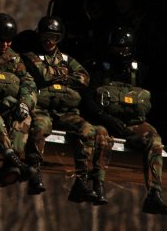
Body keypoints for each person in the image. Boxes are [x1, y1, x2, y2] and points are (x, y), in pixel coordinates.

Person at [80, 27, 167, 215]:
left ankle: (154, 194)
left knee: (154, 141)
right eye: (118, 48)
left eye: (126, 49)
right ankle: (97, 184)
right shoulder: (98, 69)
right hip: (105, 121)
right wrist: (107, 119)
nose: (122, 53)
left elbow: (151, 99)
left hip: (133, 122)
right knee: (100, 136)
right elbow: (87, 99)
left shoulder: (139, 70)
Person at [23, 15, 112, 206]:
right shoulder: (31, 57)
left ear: (60, 38)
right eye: (46, 36)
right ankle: (34, 171)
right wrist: (65, 75)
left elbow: (84, 78)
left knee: (88, 130)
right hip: (42, 109)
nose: (49, 41)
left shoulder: (67, 59)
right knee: (39, 127)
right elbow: (42, 74)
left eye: (53, 37)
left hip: (66, 113)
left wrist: (57, 76)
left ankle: (82, 180)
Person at [0, 13, 44, 203]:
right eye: (1, 40)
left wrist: (24, 103)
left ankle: (10, 164)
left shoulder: (13, 59)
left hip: (7, 106)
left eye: (9, 41)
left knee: (24, 119)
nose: (5, 45)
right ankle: (10, 156)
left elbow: (28, 83)